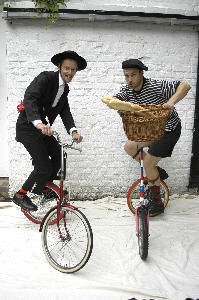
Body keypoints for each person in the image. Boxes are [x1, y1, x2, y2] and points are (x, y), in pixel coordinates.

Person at [114, 58, 191, 215]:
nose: (129, 80)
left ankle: (156, 202)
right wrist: (116, 104)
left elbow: (185, 86)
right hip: (151, 130)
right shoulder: (126, 90)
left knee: (148, 162)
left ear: (142, 73)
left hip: (169, 129)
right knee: (129, 146)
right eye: (126, 76)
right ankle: (156, 172)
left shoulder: (155, 86)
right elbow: (115, 99)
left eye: (133, 75)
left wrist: (171, 102)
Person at [12, 50, 86, 211]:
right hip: (27, 127)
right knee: (43, 166)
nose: (70, 72)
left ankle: (44, 188)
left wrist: (73, 131)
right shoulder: (45, 78)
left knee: (59, 156)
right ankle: (21, 195)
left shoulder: (64, 89)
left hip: (42, 128)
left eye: (73, 70)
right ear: (59, 67)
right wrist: (38, 123)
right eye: (67, 68)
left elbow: (65, 111)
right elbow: (29, 98)